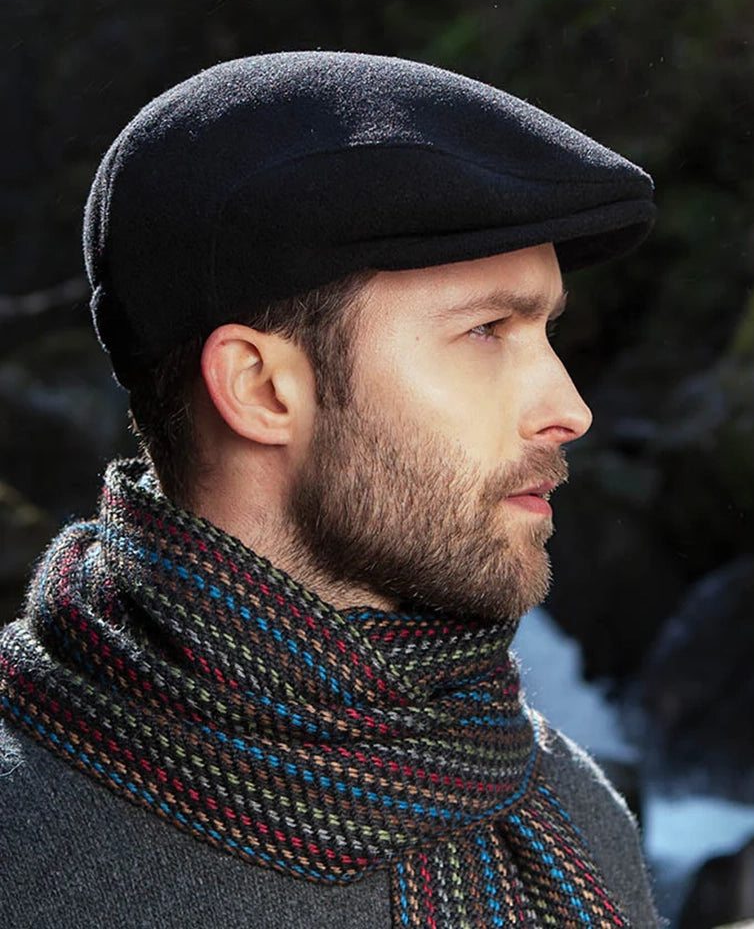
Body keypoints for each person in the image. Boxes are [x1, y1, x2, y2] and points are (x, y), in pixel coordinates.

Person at [0, 51, 660, 928]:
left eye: (544, 330)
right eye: (487, 330)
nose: (568, 409)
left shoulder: (559, 803)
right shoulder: (28, 848)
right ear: (263, 388)